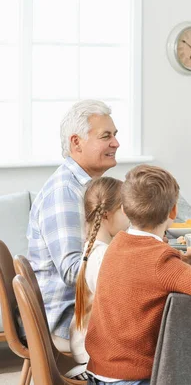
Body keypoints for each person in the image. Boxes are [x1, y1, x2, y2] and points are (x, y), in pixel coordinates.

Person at [85, 165, 191, 384]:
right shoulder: (160, 261)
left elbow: (144, 270)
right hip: (133, 378)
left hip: (101, 369)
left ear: (125, 209)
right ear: (173, 211)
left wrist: (181, 260)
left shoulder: (118, 244)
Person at [26, 99, 119, 352]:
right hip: (68, 320)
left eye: (115, 135)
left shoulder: (86, 186)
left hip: (80, 308)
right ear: (76, 142)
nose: (116, 143)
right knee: (153, 325)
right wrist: (125, 267)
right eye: (106, 136)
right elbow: (71, 272)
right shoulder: (66, 191)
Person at [70, 177, 129, 366]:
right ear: (105, 215)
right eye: (123, 208)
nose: (128, 215)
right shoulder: (101, 256)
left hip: (87, 344)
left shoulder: (96, 249)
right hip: (91, 352)